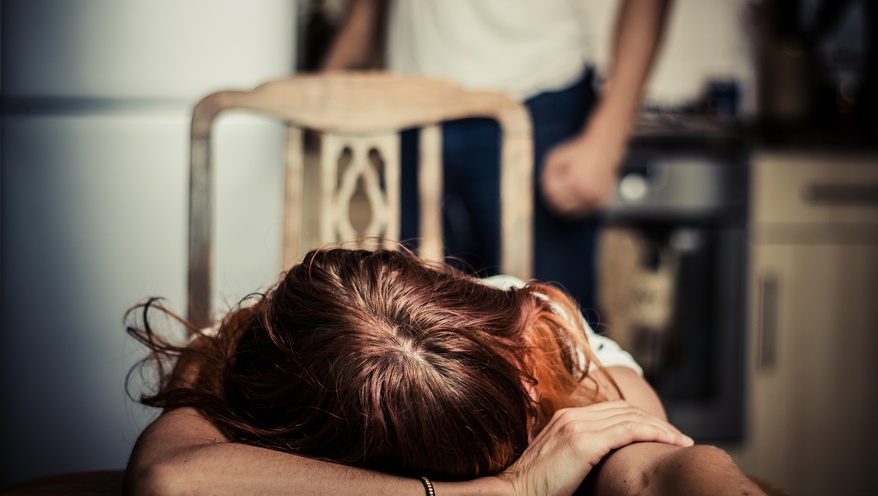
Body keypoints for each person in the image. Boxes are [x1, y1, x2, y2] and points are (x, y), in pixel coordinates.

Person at [124, 248, 764, 495]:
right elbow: (171, 480)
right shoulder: (245, 363)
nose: (534, 384)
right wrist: (503, 493)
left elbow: (655, 469)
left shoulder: (544, 331)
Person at [320, 0, 672, 320]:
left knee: (552, 328)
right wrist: (321, 90)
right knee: (410, 323)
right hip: (412, 118)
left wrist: (607, 138)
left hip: (537, 105)